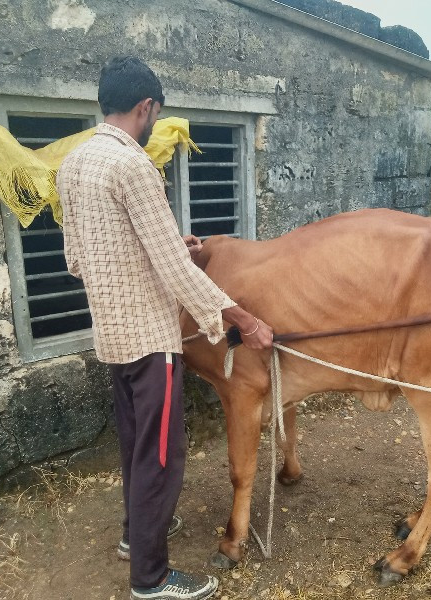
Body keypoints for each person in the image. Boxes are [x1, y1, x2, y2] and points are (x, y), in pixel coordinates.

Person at [56, 56, 273, 600]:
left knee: (136, 444)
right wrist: (242, 317)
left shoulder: (74, 163)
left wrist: (165, 247)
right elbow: (176, 273)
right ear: (146, 107)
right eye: (155, 113)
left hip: (111, 336)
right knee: (160, 454)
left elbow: (79, 259)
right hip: (152, 340)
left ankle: (136, 535)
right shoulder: (134, 166)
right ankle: (150, 579)